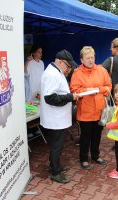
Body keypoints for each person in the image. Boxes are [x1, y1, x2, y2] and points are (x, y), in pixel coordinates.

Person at [40, 49, 79, 184]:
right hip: (55, 119)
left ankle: (54, 166)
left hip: (57, 118)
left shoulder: (56, 71)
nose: (69, 68)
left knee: (57, 145)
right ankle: (55, 172)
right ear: (60, 62)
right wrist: (70, 96)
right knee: (57, 145)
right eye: (68, 66)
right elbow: (49, 98)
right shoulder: (52, 74)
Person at [70, 46, 112, 170]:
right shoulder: (77, 73)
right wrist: (87, 90)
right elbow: (74, 90)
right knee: (85, 136)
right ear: (81, 60)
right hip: (85, 112)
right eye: (88, 58)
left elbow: (109, 86)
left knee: (97, 135)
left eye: (92, 57)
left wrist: (99, 89)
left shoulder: (101, 70)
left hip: (100, 111)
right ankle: (83, 159)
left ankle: (95, 156)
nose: (91, 60)